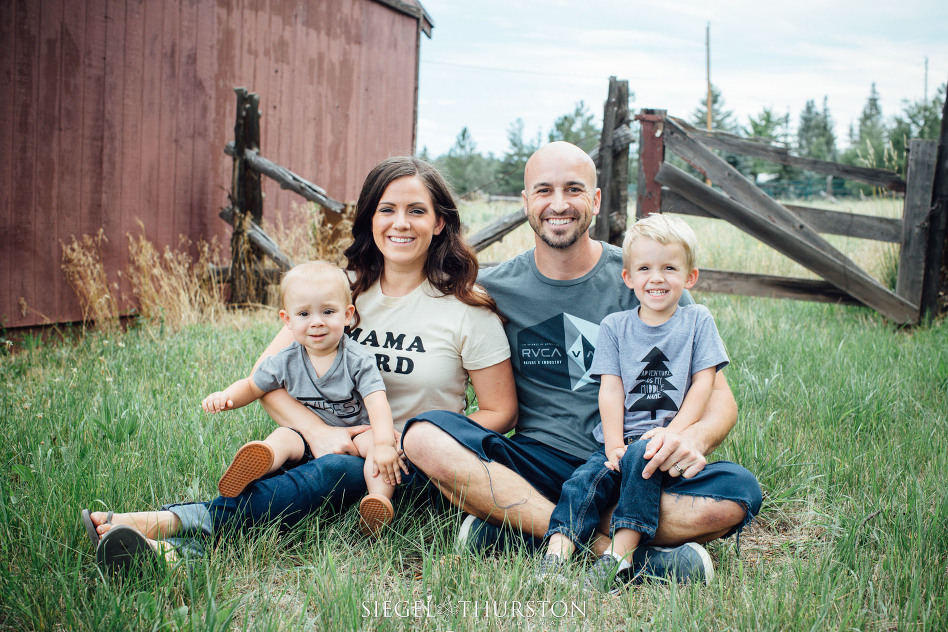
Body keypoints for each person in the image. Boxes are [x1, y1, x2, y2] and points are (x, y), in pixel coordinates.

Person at [82, 157, 517, 571]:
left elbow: (501, 411)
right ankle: (173, 551)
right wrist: (319, 432)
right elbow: (267, 377)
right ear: (370, 218)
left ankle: (169, 524)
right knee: (311, 467)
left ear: (439, 222)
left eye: (416, 211)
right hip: (325, 438)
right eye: (387, 209)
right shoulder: (336, 294)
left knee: (328, 474)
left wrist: (411, 441)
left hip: (411, 464)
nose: (400, 222)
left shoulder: (466, 309)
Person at [401, 141, 762, 584]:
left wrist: (693, 439)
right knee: (422, 439)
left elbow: (721, 400)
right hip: (538, 464)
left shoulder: (645, 277)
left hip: (633, 464)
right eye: (544, 190)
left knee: (735, 496)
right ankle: (614, 553)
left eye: (573, 189)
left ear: (593, 200)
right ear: (526, 203)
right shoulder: (494, 290)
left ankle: (511, 529)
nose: (558, 204)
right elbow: (411, 316)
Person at [540, 213, 730, 591]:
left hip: (669, 447)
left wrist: (672, 435)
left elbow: (703, 384)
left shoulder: (697, 321)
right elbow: (610, 390)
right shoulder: (615, 326)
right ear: (628, 277)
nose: (656, 278)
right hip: (619, 441)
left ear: (690, 277)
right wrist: (612, 443)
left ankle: (619, 560)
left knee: (642, 464)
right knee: (583, 481)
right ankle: (556, 556)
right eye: (644, 268)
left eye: (670, 268)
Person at [202, 260, 405, 535]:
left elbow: (376, 401)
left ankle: (378, 501)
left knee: (375, 448)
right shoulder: (284, 361)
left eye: (328, 311)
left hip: (354, 437)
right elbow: (252, 386)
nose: (317, 322)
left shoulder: (358, 360)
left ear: (347, 315)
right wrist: (226, 397)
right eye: (304, 314)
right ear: (287, 320)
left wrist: (383, 444)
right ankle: (259, 463)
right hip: (306, 437)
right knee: (283, 438)